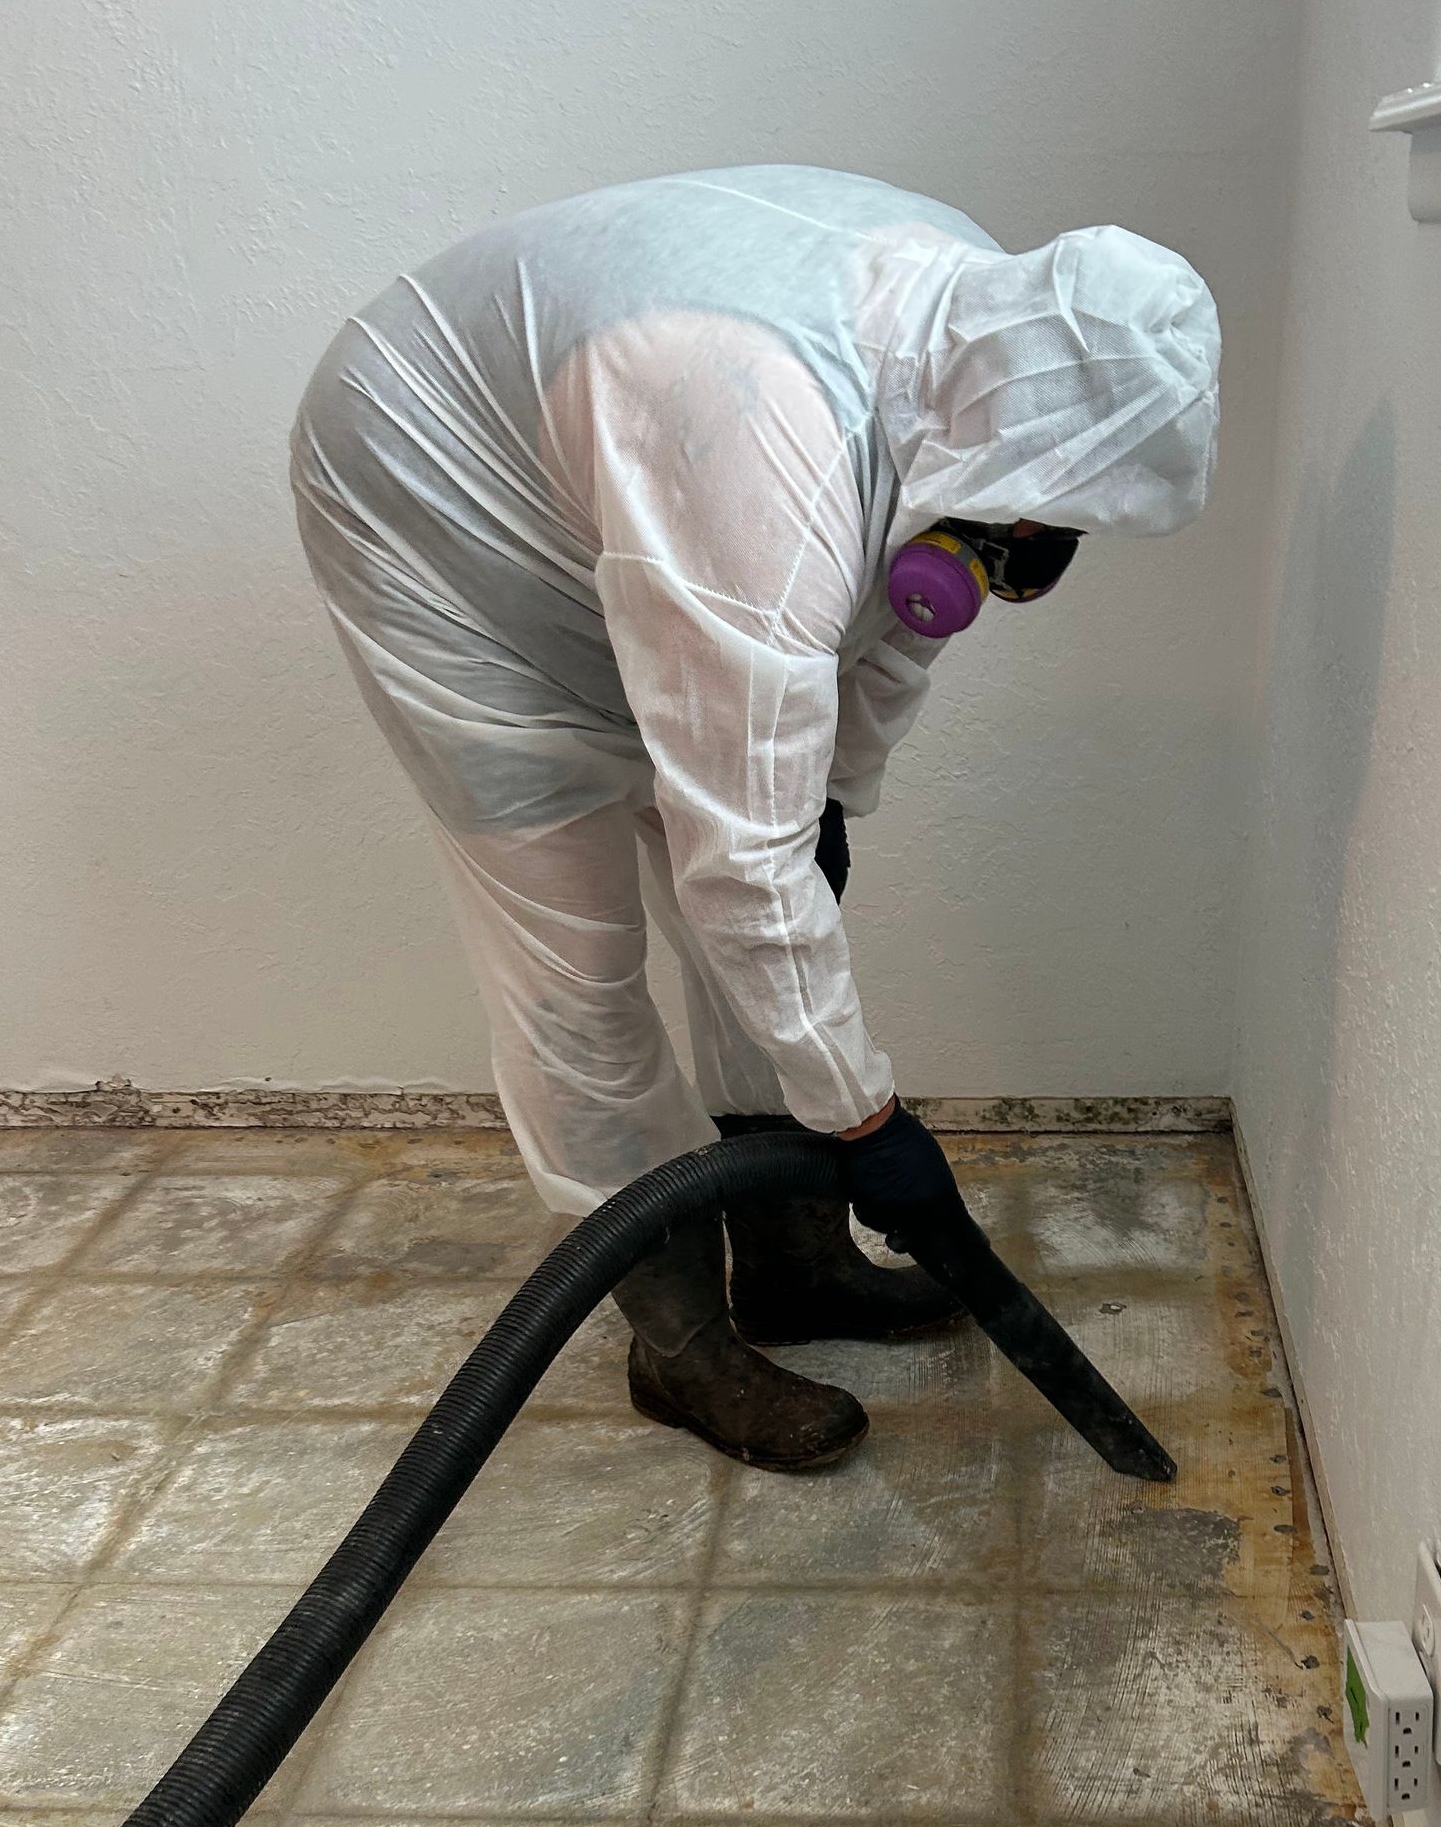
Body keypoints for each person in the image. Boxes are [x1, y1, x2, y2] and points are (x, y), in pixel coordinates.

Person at [292, 165, 1220, 1470]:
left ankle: (791, 1265)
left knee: (773, 880)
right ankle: (678, 1344)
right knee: (578, 953)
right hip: (433, 508)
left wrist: (833, 794)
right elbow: (741, 858)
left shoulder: (987, 335)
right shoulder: (772, 446)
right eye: (1039, 507)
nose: (1032, 541)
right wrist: (869, 1122)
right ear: (1013, 437)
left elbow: (890, 629)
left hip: (641, 468)